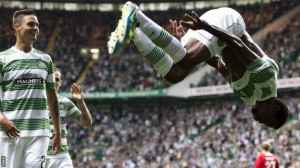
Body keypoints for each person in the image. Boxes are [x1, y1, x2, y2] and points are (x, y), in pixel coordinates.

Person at [107, 1, 288, 129]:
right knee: (186, 59)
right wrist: (205, 27)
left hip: (220, 38)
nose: (260, 122)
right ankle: (136, 14)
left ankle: (135, 32)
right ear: (275, 108)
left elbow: (217, 63)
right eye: (268, 121)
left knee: (174, 75)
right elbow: (237, 44)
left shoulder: (248, 97)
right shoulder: (267, 78)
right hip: (230, 23)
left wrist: (179, 44)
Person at [0, 9, 61, 168]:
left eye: (37, 25)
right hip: (9, 133)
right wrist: (2, 120)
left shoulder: (45, 59)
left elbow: (52, 98)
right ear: (17, 26)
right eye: (31, 24)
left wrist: (58, 132)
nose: (35, 28)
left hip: (39, 133)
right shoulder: (3, 59)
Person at [45, 67, 93, 168]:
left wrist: (81, 102)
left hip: (62, 157)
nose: (54, 82)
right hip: (41, 156)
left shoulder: (65, 102)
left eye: (57, 79)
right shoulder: (35, 102)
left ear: (60, 83)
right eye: (51, 79)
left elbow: (87, 123)